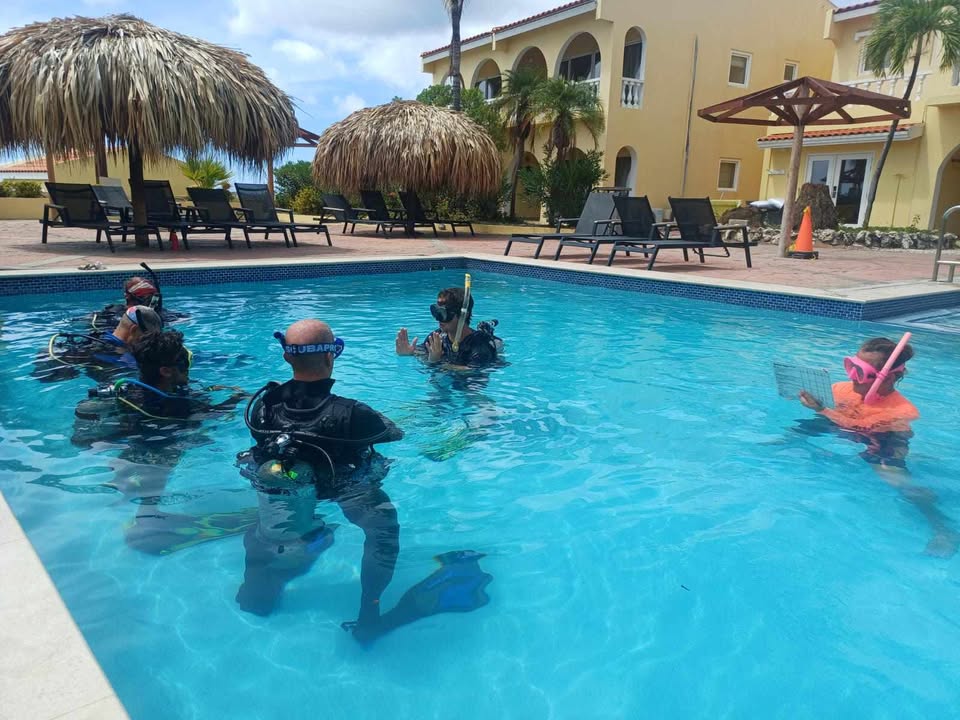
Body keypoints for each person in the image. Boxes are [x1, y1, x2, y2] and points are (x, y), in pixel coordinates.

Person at [240, 319, 491, 644]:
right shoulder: (352, 413)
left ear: (287, 357)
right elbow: (395, 434)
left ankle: (257, 590)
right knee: (383, 532)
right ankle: (369, 613)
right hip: (345, 487)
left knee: (263, 524)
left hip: (286, 485)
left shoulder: (263, 406)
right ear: (331, 356)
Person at [72, 329, 253, 554]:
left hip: (130, 445)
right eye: (183, 364)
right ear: (166, 371)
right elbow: (208, 416)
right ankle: (147, 520)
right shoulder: (176, 405)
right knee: (160, 465)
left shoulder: (129, 390)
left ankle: (127, 498)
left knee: (138, 462)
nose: (188, 368)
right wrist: (236, 399)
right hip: (158, 450)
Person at [799, 336, 957, 557]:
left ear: (888, 377)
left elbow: (863, 427)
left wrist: (822, 410)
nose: (852, 377)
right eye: (851, 367)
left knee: (900, 482)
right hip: (849, 428)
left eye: (860, 372)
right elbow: (837, 420)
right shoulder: (842, 389)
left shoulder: (902, 410)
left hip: (884, 441)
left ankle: (943, 528)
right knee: (812, 424)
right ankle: (786, 442)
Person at [395, 286, 501, 367]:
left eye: (444, 314)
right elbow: (423, 353)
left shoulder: (479, 346)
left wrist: (436, 362)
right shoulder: (437, 337)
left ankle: (486, 328)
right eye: (437, 313)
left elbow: (473, 373)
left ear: (464, 315)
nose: (438, 319)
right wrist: (409, 353)